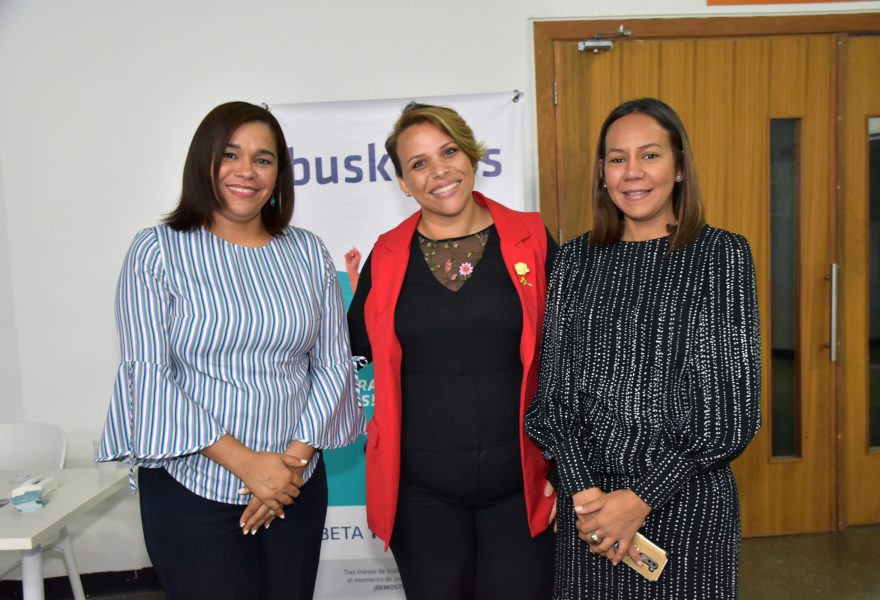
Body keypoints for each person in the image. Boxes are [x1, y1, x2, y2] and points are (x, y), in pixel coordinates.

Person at [96, 101, 365, 600]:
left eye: (263, 159)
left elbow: (332, 364)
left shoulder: (307, 251)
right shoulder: (157, 250)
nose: (247, 171)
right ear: (204, 162)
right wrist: (249, 466)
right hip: (190, 487)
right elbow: (147, 374)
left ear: (279, 174)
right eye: (230, 154)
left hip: (295, 482)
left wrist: (286, 469)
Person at [524, 97, 761, 599]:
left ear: (679, 167)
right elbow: (553, 401)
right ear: (602, 174)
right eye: (617, 158)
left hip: (687, 505)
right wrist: (586, 495)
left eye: (650, 155)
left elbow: (729, 415)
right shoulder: (574, 261)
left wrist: (638, 500)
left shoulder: (721, 255)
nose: (632, 172)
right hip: (589, 510)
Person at [347, 102, 557, 599]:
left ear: (471, 154)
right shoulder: (388, 253)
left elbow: (568, 357)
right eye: (419, 163)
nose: (439, 171)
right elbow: (354, 349)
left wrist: (568, 465)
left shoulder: (531, 238)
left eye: (448, 152)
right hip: (421, 496)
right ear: (404, 183)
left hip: (521, 488)